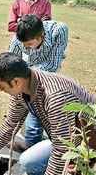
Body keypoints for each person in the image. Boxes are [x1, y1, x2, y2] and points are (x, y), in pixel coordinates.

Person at [0, 52, 96, 175]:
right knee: (27, 162)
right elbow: (10, 124)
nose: (1, 90)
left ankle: (84, 165)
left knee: (67, 170)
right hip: (63, 136)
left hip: (90, 141)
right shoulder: (22, 86)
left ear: (15, 81)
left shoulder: (54, 96)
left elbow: (62, 148)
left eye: (2, 87)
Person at [9, 14, 69, 152]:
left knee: (38, 106)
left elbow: (52, 65)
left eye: (29, 45)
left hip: (48, 75)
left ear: (41, 36)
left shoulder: (59, 31)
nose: (27, 48)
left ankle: (36, 145)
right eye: (24, 45)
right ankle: (33, 141)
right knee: (23, 105)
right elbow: (12, 61)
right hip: (27, 70)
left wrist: (26, 79)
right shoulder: (20, 37)